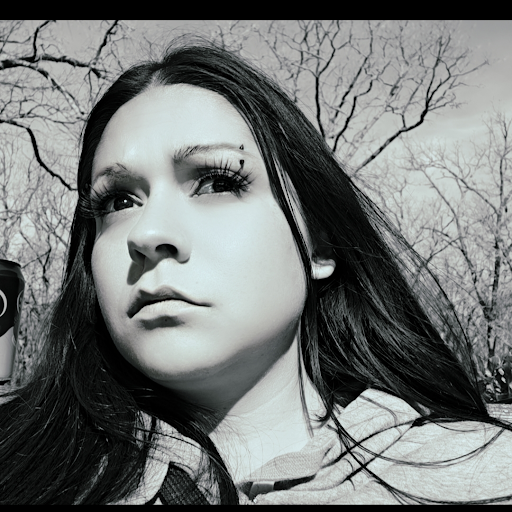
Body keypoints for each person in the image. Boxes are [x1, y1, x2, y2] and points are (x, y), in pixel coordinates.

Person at [0, 37, 511, 505]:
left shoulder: (487, 474)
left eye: (216, 182)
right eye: (118, 201)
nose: (147, 232)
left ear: (318, 245)